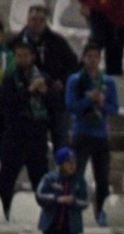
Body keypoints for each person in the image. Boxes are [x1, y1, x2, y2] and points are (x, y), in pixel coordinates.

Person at [8, 4, 78, 149]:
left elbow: (73, 66)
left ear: (46, 22)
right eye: (33, 19)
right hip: (26, 100)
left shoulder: (58, 42)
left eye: (41, 20)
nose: (37, 23)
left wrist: (62, 81)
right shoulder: (15, 43)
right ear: (27, 20)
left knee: (61, 140)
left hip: (54, 98)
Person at [65, 42, 118, 225]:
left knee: (102, 179)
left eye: (96, 56)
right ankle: (74, 212)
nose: (92, 60)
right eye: (89, 56)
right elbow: (71, 106)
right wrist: (88, 99)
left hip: (100, 135)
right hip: (81, 133)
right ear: (83, 58)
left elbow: (114, 108)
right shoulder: (75, 80)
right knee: (76, 175)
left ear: (100, 59)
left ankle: (101, 213)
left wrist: (102, 102)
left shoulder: (108, 82)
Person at [0, 41, 55, 216]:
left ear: (32, 57)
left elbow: (56, 106)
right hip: (15, 137)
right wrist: (29, 90)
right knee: (6, 181)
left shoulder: (44, 78)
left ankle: (45, 218)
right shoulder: (10, 79)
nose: (21, 59)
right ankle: (4, 213)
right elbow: (8, 105)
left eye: (25, 55)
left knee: (40, 181)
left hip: (36, 138)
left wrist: (46, 92)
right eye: (18, 55)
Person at [35, 147, 89, 234]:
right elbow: (39, 195)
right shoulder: (50, 178)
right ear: (61, 164)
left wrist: (74, 201)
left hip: (71, 227)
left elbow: (86, 201)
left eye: (74, 162)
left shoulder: (79, 181)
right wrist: (57, 199)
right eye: (69, 162)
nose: (72, 165)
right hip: (51, 225)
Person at [79, 0, 124, 76]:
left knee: (115, 56)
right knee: (94, 48)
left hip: (121, 13)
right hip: (100, 10)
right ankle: (80, 78)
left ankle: (112, 81)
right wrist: (85, 3)